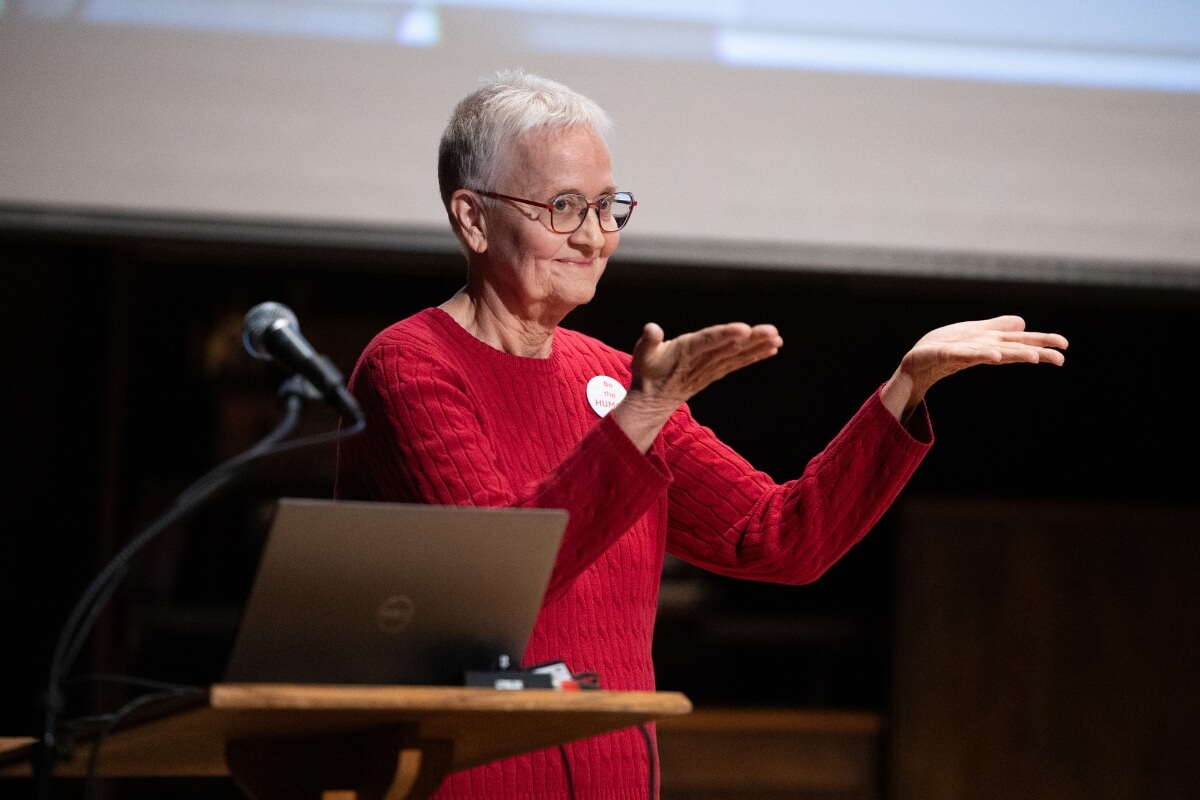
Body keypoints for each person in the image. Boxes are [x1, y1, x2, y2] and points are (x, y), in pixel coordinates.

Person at [334, 69, 1068, 799]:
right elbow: (496, 576)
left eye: (607, 207)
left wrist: (906, 386)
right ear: (472, 218)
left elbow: (779, 538)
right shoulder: (411, 365)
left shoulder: (617, 379)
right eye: (563, 207)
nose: (594, 237)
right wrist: (642, 414)